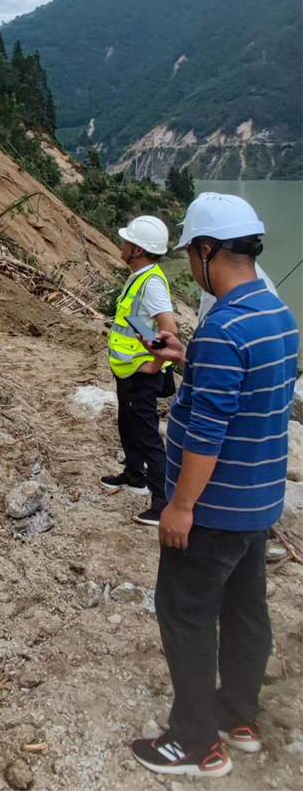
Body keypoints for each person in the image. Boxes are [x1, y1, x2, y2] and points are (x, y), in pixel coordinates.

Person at [131, 193, 298, 778]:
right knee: (247, 608)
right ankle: (238, 716)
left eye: (190, 253)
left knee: (185, 612)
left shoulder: (225, 327)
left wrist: (180, 506)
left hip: (214, 507)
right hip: (258, 499)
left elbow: (207, 431)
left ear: (205, 251)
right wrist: (191, 356)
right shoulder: (276, 314)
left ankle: (194, 742)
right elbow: (248, 393)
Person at [101, 215, 178, 526]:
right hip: (128, 370)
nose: (122, 244)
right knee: (128, 425)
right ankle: (135, 476)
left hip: (141, 373)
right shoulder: (140, 277)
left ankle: (162, 502)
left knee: (147, 435)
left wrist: (155, 364)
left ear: (137, 249)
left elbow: (169, 329)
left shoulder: (152, 283)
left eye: (127, 241)